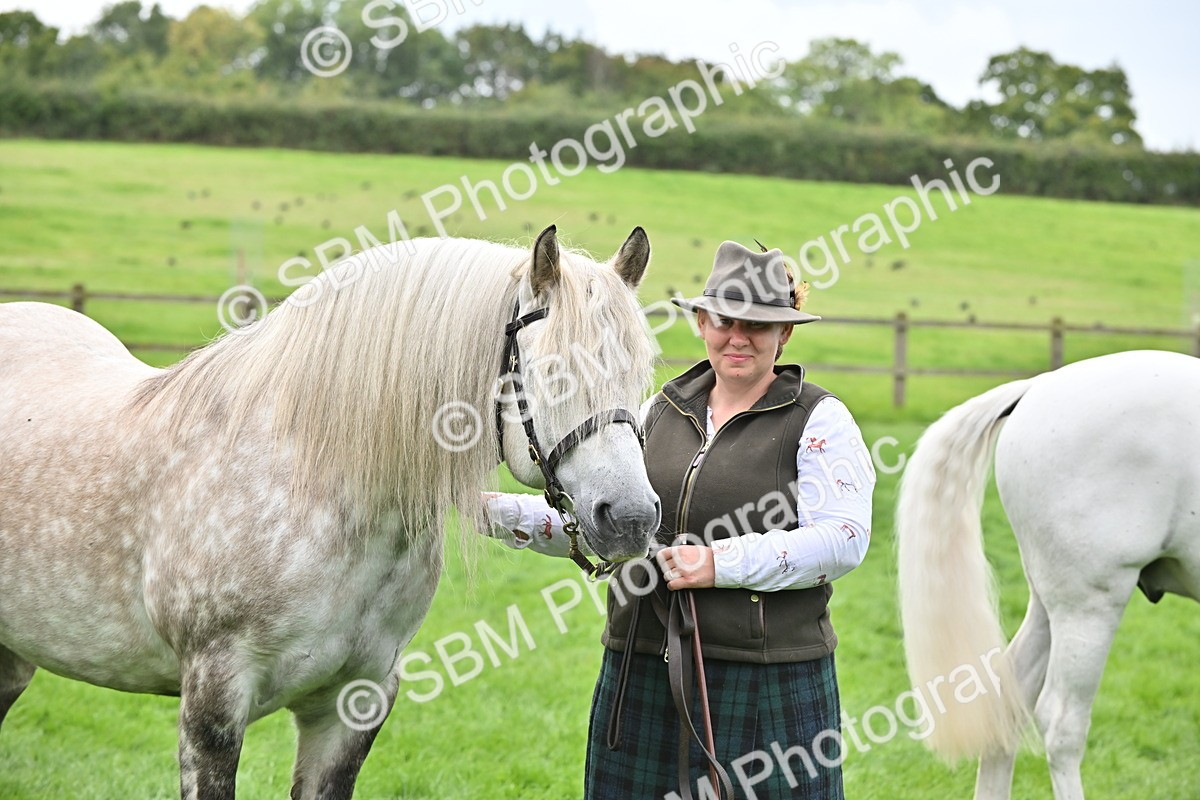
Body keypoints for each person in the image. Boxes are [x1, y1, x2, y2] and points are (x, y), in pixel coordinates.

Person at [483, 241, 874, 799]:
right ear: (700, 322)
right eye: (724, 320)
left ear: (784, 334)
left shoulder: (819, 419)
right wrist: (482, 511)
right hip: (640, 668)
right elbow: (601, 522)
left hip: (764, 681)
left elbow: (844, 538)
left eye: (758, 325)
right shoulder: (655, 412)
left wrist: (719, 563)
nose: (738, 337)